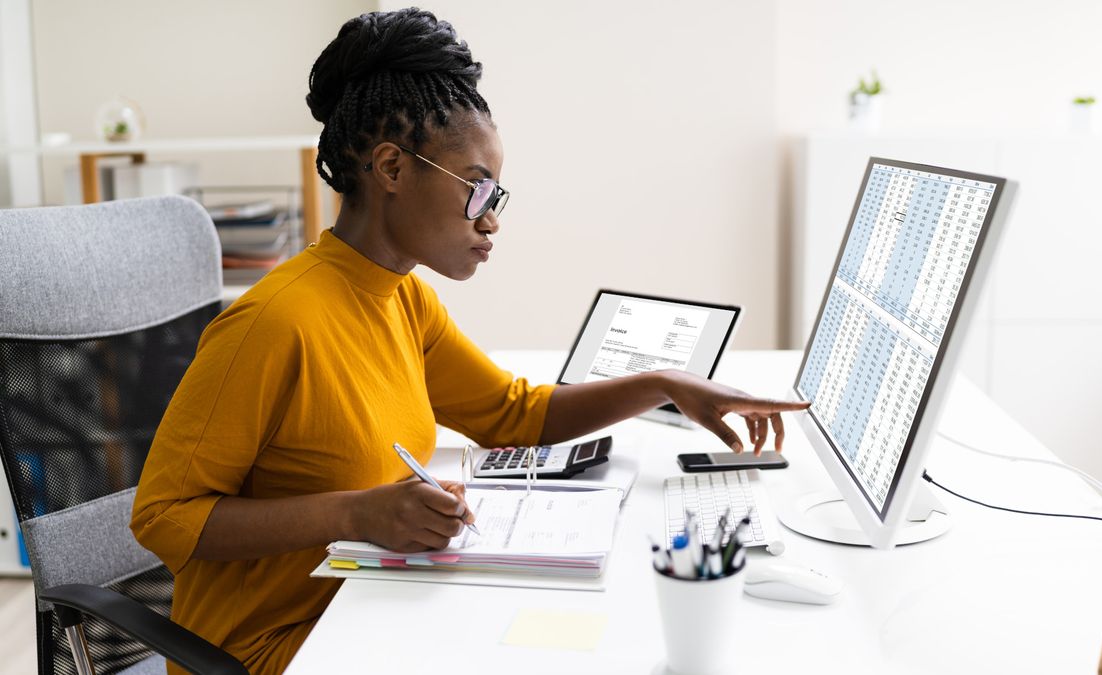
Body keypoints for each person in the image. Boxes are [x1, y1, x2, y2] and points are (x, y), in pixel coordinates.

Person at [130, 8, 809, 673]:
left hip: (369, 602)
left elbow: (514, 416)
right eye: (478, 191)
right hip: (274, 647)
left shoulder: (405, 300)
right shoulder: (272, 323)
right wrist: (357, 513)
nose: (491, 222)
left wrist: (665, 383)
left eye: (497, 198)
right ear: (391, 168)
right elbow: (163, 516)